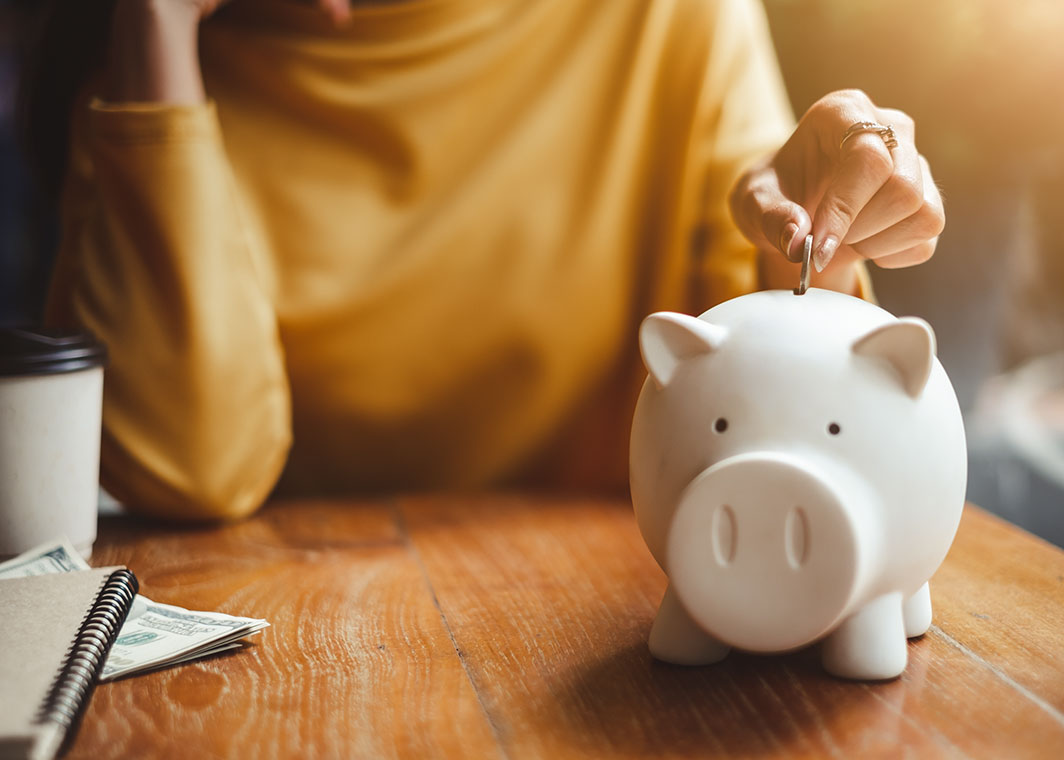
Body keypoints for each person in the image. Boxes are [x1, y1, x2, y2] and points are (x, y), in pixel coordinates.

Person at [33, 0, 944, 520]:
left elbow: (775, 390)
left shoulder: (664, 18)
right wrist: (153, 22)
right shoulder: (154, 83)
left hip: (609, 617)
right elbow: (186, 468)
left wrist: (815, 230)